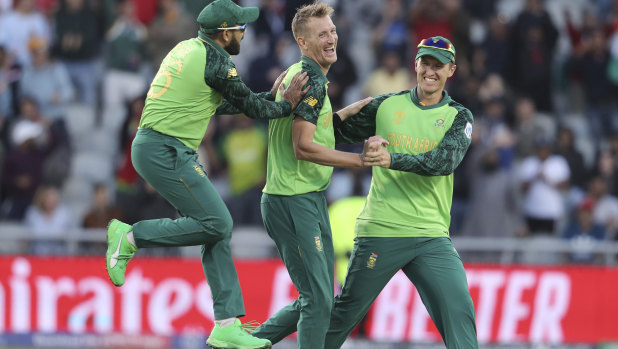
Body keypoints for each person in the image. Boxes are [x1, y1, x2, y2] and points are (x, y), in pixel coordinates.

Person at [104, 0, 310, 348]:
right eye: (240, 27)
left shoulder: (188, 48)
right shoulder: (216, 59)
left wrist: (271, 96)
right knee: (219, 223)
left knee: (214, 232)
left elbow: (224, 101)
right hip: (165, 149)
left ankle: (226, 325)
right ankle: (131, 237)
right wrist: (286, 102)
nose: (244, 32)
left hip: (158, 145)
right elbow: (252, 107)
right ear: (224, 32)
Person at [324, 36, 479, 348]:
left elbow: (442, 163)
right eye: (426, 62)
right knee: (343, 316)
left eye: (439, 65)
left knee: (459, 311)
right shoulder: (385, 105)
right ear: (416, 64)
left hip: (431, 234)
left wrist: (390, 158)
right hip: (382, 229)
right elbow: (330, 133)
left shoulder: (459, 117)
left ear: (452, 70)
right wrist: (341, 112)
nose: (431, 70)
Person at [250, 3, 381, 348]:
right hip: (295, 199)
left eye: (333, 31)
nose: (332, 38)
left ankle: (239, 345)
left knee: (315, 297)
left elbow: (309, 131)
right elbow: (303, 147)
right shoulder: (311, 82)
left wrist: (338, 118)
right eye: (322, 34)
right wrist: (361, 161)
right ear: (302, 41)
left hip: (298, 196)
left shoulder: (301, 74)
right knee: (319, 299)